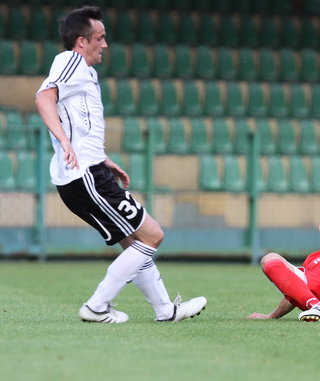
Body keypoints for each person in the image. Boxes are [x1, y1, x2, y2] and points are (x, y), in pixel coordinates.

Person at [35, 6, 206, 323]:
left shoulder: (86, 72)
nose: (105, 44)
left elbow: (80, 123)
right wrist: (65, 141)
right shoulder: (70, 60)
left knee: (134, 241)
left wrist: (104, 159)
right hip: (84, 175)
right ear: (81, 41)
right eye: (100, 38)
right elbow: (44, 98)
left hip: (87, 171)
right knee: (152, 236)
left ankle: (165, 310)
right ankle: (96, 306)